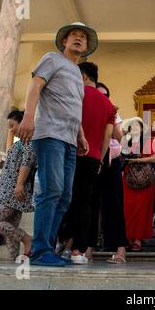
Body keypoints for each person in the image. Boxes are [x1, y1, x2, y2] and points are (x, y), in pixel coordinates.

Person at [19, 22, 98, 267]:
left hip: (69, 139)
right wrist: (29, 116)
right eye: (73, 35)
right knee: (51, 191)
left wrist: (81, 135)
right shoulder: (52, 59)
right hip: (50, 134)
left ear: (86, 46)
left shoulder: (77, 73)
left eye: (83, 37)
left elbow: (73, 107)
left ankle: (47, 247)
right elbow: (35, 86)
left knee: (64, 197)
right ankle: (40, 250)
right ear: (64, 41)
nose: (78, 39)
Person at [58, 62, 115, 265]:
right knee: (85, 204)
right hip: (93, 158)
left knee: (63, 198)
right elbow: (107, 137)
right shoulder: (109, 104)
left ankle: (59, 240)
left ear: (82, 76)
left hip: (71, 151)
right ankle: (78, 251)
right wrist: (100, 159)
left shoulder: (75, 95)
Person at [0, 110, 35, 260]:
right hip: (11, 189)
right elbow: (16, 165)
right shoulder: (18, 144)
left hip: (12, 192)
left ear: (23, 122)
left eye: (13, 125)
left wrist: (19, 184)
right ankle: (13, 259)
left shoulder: (28, 142)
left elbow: (27, 163)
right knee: (9, 229)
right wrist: (3, 164)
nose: (11, 129)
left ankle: (27, 239)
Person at [96, 86, 128, 264]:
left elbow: (119, 136)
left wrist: (112, 116)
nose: (103, 99)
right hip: (91, 157)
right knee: (90, 206)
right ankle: (86, 249)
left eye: (106, 96)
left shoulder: (112, 113)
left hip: (110, 159)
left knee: (115, 205)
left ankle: (121, 249)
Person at [122, 117, 155, 252]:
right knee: (127, 209)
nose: (135, 128)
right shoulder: (126, 142)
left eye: (138, 126)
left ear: (142, 129)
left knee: (142, 211)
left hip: (145, 181)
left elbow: (154, 158)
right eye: (132, 126)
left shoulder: (148, 141)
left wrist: (139, 160)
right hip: (128, 180)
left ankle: (137, 240)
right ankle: (128, 239)